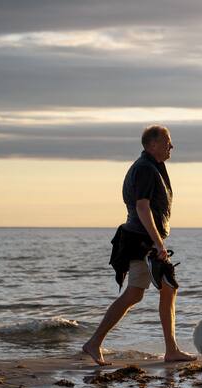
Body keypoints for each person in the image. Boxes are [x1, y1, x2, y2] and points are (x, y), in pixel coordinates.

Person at [82, 125, 195, 365]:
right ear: (152, 145)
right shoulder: (144, 168)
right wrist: (157, 242)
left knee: (151, 291)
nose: (171, 146)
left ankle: (169, 349)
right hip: (142, 240)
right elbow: (143, 208)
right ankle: (96, 343)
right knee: (152, 290)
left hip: (140, 238)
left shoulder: (150, 166)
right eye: (167, 142)